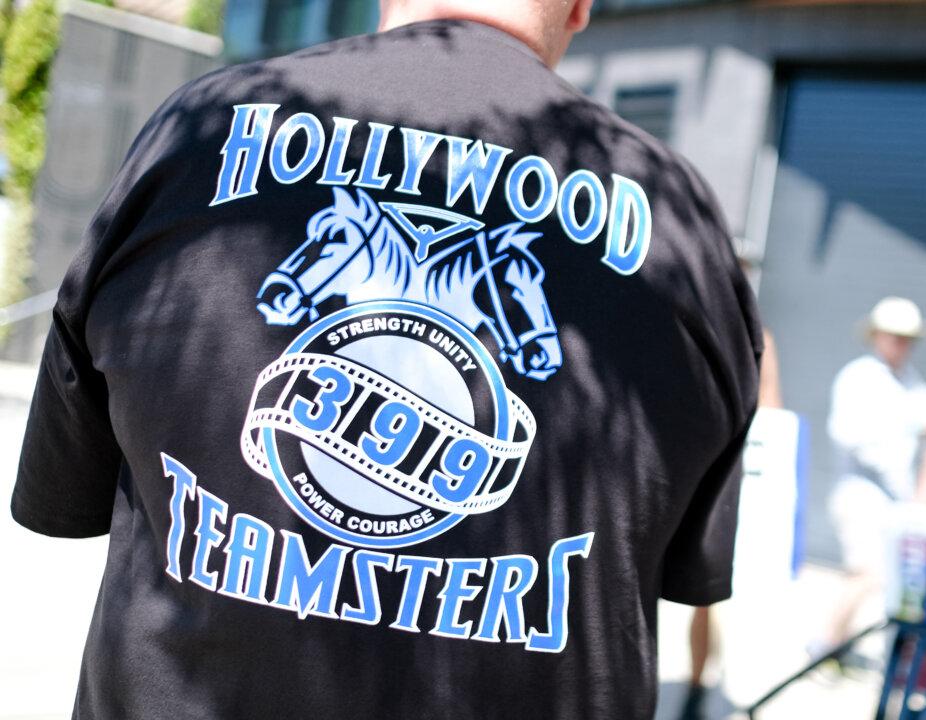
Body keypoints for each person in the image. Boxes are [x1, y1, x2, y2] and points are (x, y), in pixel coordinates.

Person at [9, 2, 762, 718]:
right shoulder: (684, 229)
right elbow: (665, 565)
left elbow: (67, 491)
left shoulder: (197, 133)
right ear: (580, 7)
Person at [821, 297, 926, 652]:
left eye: (908, 337)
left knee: (884, 577)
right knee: (867, 572)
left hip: (898, 501)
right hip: (861, 494)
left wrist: (924, 489)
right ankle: (825, 644)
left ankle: (837, 644)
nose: (901, 343)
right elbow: (849, 435)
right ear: (876, 335)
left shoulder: (911, 381)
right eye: (894, 335)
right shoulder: (859, 376)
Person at [682, 328, 781, 719]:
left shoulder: (757, 335)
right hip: (690, 463)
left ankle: (697, 683)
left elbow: (770, 411)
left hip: (722, 469)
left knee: (707, 593)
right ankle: (696, 684)